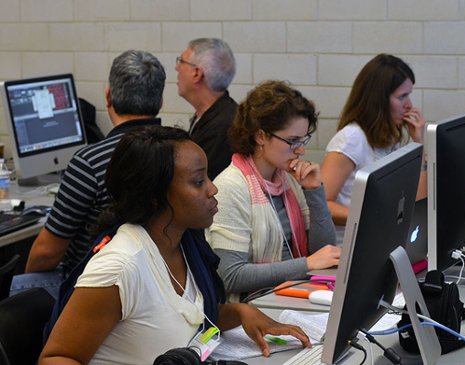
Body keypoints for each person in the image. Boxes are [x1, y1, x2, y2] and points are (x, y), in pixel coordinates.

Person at [39, 126, 311, 364]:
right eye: (198, 181)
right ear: (155, 195)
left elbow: (185, 317)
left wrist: (242, 311)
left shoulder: (182, 244)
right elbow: (56, 358)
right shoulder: (120, 267)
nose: (212, 189)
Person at [10, 50, 166, 299]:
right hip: (160, 281)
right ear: (160, 101)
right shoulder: (182, 151)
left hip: (93, 287)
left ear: (108, 97)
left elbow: (47, 253)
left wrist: (27, 299)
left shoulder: (89, 162)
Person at [206, 80, 340, 303]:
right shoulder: (231, 187)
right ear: (260, 136)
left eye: (303, 140)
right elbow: (232, 275)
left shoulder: (289, 179)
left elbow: (323, 250)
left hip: (293, 294)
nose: (301, 150)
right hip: (254, 307)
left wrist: (314, 191)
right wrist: (307, 264)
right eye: (292, 141)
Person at [320, 54, 427, 247]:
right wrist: (373, 218)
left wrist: (419, 142)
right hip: (348, 249)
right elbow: (320, 205)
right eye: (402, 96)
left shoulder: (388, 138)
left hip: (379, 243)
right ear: (378, 100)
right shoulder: (352, 138)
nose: (409, 104)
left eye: (409, 95)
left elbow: (419, 202)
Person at [176, 37, 237, 181]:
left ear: (197, 73)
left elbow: (198, 186)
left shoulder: (222, 129)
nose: (177, 67)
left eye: (181, 61)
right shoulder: (211, 115)